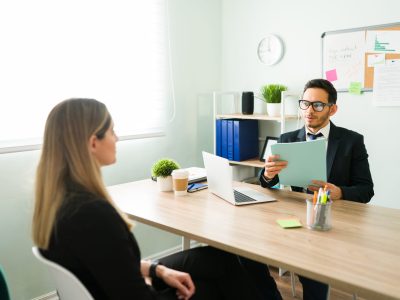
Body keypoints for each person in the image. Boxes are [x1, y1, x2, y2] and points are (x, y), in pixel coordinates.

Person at [32, 98, 282, 300]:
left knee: (220, 258)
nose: (117, 138)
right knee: (217, 284)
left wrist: (157, 270)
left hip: (109, 284)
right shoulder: (91, 214)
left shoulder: (58, 198)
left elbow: (110, 262)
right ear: (92, 143)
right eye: (111, 130)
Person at [259, 79, 374, 300]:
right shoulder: (287, 139)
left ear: (333, 109)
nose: (309, 111)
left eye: (318, 105)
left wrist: (340, 192)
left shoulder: (352, 141)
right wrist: (268, 174)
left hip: (329, 225)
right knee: (247, 254)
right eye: (305, 103)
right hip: (292, 220)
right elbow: (267, 183)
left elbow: (366, 189)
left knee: (314, 276)